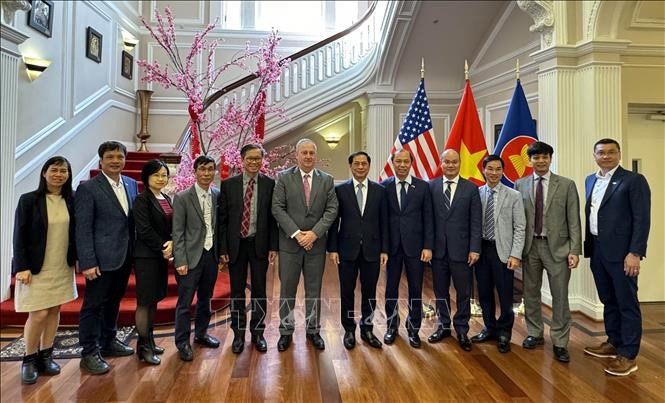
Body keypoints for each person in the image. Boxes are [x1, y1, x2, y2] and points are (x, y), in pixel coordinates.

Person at [582, 138, 650, 376]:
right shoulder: (590, 180)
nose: (606, 156)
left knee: (626, 303)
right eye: (601, 152)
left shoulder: (633, 180)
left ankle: (629, 354)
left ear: (619, 154)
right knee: (608, 299)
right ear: (595, 155)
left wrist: (635, 252)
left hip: (623, 254)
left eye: (612, 152)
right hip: (598, 249)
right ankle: (614, 342)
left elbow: (642, 219)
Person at [514, 141, 581, 363]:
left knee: (560, 296)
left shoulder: (566, 185)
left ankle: (560, 342)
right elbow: (518, 219)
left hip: (558, 249)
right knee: (530, 293)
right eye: (536, 157)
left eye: (544, 157)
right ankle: (534, 333)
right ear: (530, 160)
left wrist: (574, 249)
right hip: (530, 247)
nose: (540, 161)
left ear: (550, 158)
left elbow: (574, 219)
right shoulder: (520, 184)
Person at [13, 156, 77, 384]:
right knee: (38, 313)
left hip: (61, 265)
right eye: (54, 170)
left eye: (64, 171)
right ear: (44, 173)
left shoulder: (71, 200)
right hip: (36, 267)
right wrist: (21, 266)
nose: (59, 174)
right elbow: (19, 235)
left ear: (69, 175)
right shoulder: (29, 200)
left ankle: (46, 355)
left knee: (54, 311)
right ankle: (29, 358)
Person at [76, 141, 138, 375]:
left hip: (124, 256)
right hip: (100, 261)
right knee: (93, 306)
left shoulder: (131, 184)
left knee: (114, 301)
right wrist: (88, 262)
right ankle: (89, 352)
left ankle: (108, 340)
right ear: (101, 160)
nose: (115, 161)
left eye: (119, 157)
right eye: (110, 157)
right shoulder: (88, 188)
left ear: (125, 159)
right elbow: (82, 228)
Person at [272, 138, 338, 351]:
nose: (308, 156)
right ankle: (285, 331)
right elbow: (278, 208)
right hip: (290, 245)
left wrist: (314, 234)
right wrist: (298, 234)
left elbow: (331, 210)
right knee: (287, 290)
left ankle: (313, 330)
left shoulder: (327, 180)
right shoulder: (283, 178)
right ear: (296, 155)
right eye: (304, 153)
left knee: (313, 291)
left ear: (315, 155)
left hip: (315, 246)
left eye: (311, 153)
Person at [219, 144, 278, 354]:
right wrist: (223, 247)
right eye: (250, 158)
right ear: (242, 160)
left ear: (262, 161)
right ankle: (238, 335)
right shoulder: (229, 185)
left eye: (258, 158)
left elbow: (273, 219)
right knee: (236, 292)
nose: (254, 162)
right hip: (236, 246)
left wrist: (273, 246)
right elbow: (223, 220)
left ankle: (258, 333)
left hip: (259, 245)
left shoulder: (270, 184)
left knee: (260, 291)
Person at [328, 151, 388, 350]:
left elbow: (384, 223)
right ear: (351, 166)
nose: (360, 167)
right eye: (357, 164)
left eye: (364, 164)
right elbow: (334, 221)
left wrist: (384, 249)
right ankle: (349, 330)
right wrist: (333, 248)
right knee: (347, 291)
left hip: (373, 250)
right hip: (346, 250)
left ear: (369, 166)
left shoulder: (380, 190)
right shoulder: (340, 190)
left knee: (370, 292)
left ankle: (367, 328)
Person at [428, 149, 481, 352]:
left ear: (460, 164)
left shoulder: (471, 188)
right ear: (441, 163)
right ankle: (443, 325)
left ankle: (461, 329)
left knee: (463, 292)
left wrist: (475, 248)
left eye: (454, 162)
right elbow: (428, 220)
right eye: (446, 162)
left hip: (463, 251)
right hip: (438, 251)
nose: (450, 165)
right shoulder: (431, 187)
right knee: (440, 291)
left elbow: (476, 222)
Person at [471, 155, 525, 353]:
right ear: (484, 170)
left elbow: (520, 227)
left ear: (503, 171)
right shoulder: (476, 193)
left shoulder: (514, 195)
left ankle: (504, 331)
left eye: (498, 169)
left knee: (505, 294)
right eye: (490, 169)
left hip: (503, 251)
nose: (494, 173)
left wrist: (515, 254)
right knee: (484, 293)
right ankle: (489, 327)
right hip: (481, 250)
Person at [381, 149, 433, 348]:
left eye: (406, 161)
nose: (402, 165)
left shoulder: (422, 187)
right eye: (398, 161)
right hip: (392, 248)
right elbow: (382, 221)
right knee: (391, 289)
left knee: (415, 289)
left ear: (411, 163)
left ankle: (414, 329)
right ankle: (391, 327)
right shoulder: (384, 186)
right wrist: (383, 249)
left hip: (416, 247)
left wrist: (428, 246)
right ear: (393, 163)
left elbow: (428, 218)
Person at [172, 155, 221, 361]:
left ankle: (201, 333)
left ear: (214, 172)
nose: (206, 173)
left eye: (210, 169)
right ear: (195, 172)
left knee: (205, 298)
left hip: (211, 256)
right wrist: (180, 259)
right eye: (202, 169)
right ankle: (182, 342)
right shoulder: (183, 197)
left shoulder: (217, 195)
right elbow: (178, 231)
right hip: (190, 257)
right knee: (185, 302)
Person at [132, 159, 173, 365]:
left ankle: (150, 339)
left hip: (160, 256)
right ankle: (143, 346)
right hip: (146, 256)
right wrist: (163, 246)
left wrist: (171, 243)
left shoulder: (165, 197)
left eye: (164, 175)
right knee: (145, 302)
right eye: (156, 174)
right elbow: (144, 229)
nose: (161, 178)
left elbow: (170, 226)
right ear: (147, 177)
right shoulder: (142, 199)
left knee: (155, 299)